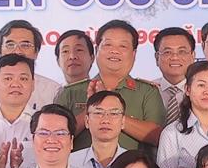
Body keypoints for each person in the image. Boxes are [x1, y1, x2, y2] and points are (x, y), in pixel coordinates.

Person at [57, 20, 165, 151]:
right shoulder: (70, 92)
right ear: (96, 50)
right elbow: (56, 134)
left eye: (123, 46)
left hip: (132, 164)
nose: (114, 51)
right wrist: (91, 109)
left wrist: (112, 112)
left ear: (134, 54)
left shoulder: (147, 92)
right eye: (108, 45)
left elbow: (158, 137)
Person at [0, 20, 63, 114]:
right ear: (0, 51)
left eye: (25, 45)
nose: (17, 51)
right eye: (10, 45)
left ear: (36, 52)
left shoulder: (53, 90)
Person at [70, 90, 128, 168]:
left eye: (113, 113)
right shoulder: (70, 162)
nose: (105, 120)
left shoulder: (134, 163)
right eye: (98, 113)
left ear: (123, 122)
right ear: (87, 121)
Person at [151, 26, 198, 127]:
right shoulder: (147, 91)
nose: (175, 57)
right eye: (167, 52)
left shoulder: (203, 91)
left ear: (193, 56)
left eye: (182, 52)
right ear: (157, 58)